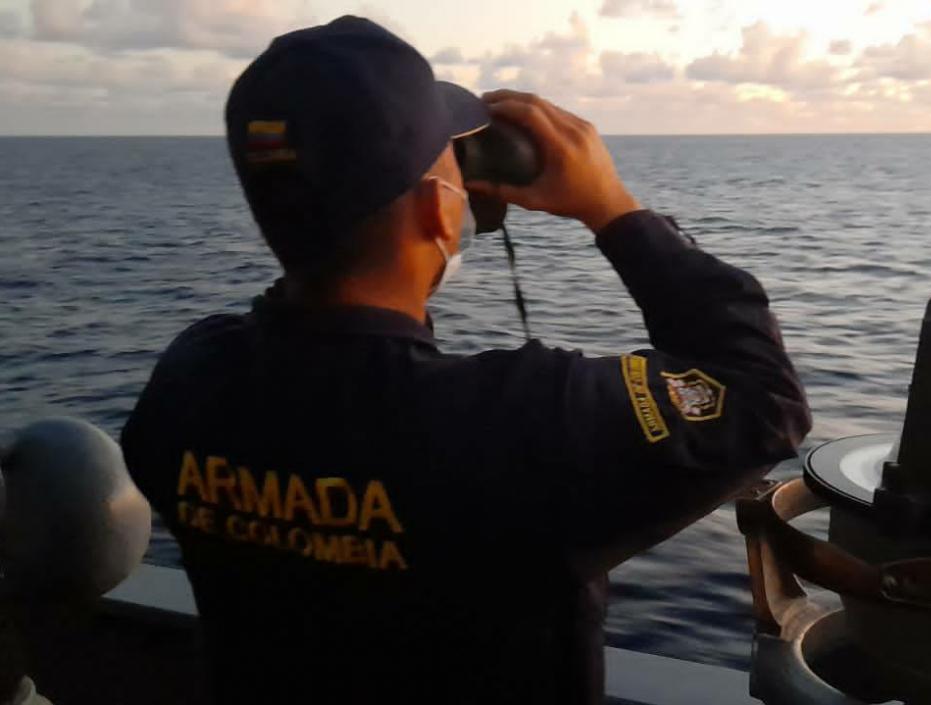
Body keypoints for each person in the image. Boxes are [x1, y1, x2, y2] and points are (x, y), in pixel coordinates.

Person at [121, 15, 811, 705]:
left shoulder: (187, 384)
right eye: (453, 162)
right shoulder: (526, 427)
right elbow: (762, 398)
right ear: (437, 208)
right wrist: (614, 209)